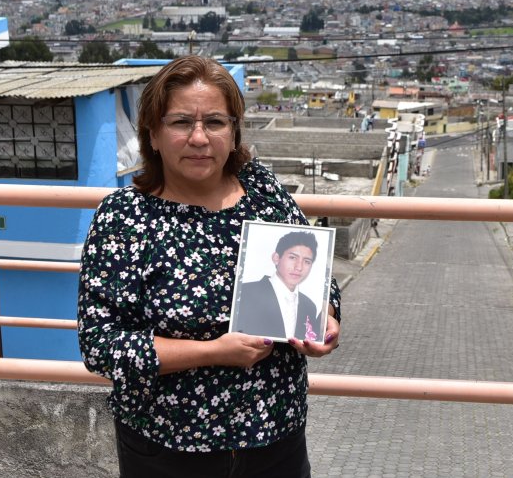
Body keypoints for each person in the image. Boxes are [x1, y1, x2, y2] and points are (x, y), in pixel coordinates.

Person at [77, 55, 341, 477]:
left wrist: (323, 316)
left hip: (276, 438)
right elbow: (102, 345)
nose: (199, 137)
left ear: (234, 132)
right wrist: (213, 353)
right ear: (154, 134)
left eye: (215, 122)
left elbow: (319, 277)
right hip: (169, 448)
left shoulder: (263, 192)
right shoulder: (124, 218)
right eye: (181, 122)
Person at [232, 230, 323, 342]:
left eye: (307, 261)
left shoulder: (309, 306)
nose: (299, 267)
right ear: (276, 258)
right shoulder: (244, 293)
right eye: (292, 257)